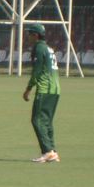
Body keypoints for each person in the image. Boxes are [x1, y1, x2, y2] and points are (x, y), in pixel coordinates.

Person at [22, 23, 60, 163]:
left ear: (36, 35)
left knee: (37, 119)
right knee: (47, 121)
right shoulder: (49, 48)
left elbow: (37, 71)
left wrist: (28, 89)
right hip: (56, 89)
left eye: (30, 34)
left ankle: (48, 151)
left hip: (45, 88)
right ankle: (53, 151)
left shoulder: (38, 48)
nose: (28, 37)